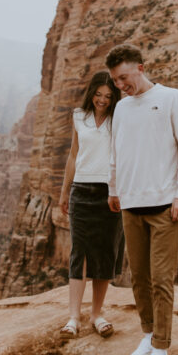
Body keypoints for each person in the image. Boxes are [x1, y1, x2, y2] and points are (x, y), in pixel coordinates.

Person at [106, 44, 178, 355]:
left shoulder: (173, 98)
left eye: (125, 78)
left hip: (164, 206)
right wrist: (113, 189)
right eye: (116, 80)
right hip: (130, 205)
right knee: (139, 277)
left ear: (141, 68)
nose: (121, 85)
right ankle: (147, 333)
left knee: (161, 279)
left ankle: (161, 347)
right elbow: (116, 151)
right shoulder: (121, 108)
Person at [58, 70, 124, 339]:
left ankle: (97, 314)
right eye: (98, 94)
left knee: (105, 253)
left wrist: (119, 190)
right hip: (81, 190)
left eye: (108, 96)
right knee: (79, 253)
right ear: (91, 93)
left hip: (110, 192)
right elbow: (74, 155)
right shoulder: (79, 117)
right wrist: (64, 191)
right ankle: (73, 317)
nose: (102, 100)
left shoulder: (118, 119)